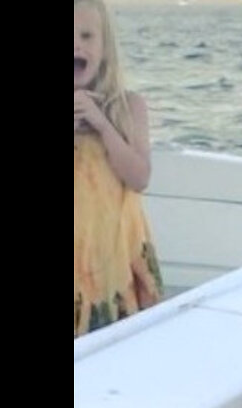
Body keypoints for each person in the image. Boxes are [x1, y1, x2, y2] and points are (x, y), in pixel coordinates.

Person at [74, 0, 163, 338]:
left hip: (113, 263)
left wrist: (102, 125)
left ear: (105, 50)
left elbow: (139, 178)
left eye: (86, 35)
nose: (76, 45)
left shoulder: (128, 107)